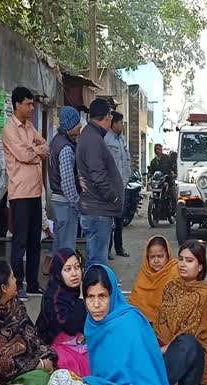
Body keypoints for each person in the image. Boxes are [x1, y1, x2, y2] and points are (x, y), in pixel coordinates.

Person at [43, 265, 185, 385]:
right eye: (90, 297)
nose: (97, 305)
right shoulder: (92, 325)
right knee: (59, 378)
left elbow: (149, 382)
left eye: (103, 296)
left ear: (113, 295)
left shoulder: (130, 323)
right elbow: (101, 374)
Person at [0, 258, 57, 385]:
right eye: (12, 277)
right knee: (43, 382)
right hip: (4, 379)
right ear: (3, 288)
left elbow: (31, 335)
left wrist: (45, 357)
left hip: (30, 364)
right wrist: (38, 364)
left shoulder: (14, 305)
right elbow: (1, 365)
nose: (16, 281)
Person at [2, 86, 48, 300]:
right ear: (17, 104)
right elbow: (22, 154)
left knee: (34, 241)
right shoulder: (10, 128)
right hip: (20, 193)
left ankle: (33, 284)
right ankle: (18, 284)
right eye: (28, 104)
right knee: (19, 242)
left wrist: (34, 151)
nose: (31, 108)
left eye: (32, 104)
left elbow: (44, 146)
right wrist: (35, 151)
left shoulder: (30, 126)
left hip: (36, 192)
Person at [154, 240, 207, 385]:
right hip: (164, 352)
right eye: (180, 259)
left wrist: (164, 350)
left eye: (189, 261)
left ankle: (164, 380)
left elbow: (192, 333)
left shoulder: (205, 294)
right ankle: (168, 377)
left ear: (200, 267)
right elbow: (161, 321)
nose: (182, 264)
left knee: (187, 342)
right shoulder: (171, 287)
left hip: (191, 363)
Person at [77, 98, 123, 267]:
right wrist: (113, 197)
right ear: (106, 117)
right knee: (96, 262)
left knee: (96, 260)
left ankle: (95, 291)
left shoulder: (92, 136)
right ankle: (94, 292)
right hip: (98, 210)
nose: (111, 119)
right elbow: (97, 175)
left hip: (98, 209)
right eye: (110, 116)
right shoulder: (92, 139)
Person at [35, 248, 90, 377]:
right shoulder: (53, 297)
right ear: (58, 272)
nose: (74, 273)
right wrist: (82, 298)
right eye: (67, 269)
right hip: (55, 346)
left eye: (77, 267)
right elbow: (71, 327)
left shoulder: (77, 290)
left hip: (77, 342)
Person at [48, 106, 82, 252]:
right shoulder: (66, 148)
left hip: (58, 201)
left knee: (59, 246)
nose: (80, 126)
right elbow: (67, 182)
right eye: (77, 124)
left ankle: (56, 274)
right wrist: (77, 203)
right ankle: (63, 275)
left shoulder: (56, 141)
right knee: (67, 248)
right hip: (65, 203)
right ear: (70, 125)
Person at [128, 236, 180, 323]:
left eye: (160, 256)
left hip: (168, 325)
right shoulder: (144, 272)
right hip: (143, 324)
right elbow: (135, 303)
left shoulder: (175, 272)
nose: (156, 261)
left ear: (168, 255)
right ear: (147, 258)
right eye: (152, 257)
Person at [105, 111, 132, 259]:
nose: (122, 125)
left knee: (120, 219)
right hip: (110, 186)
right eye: (120, 122)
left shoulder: (121, 140)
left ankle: (119, 247)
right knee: (110, 220)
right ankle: (107, 249)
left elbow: (127, 159)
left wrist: (126, 178)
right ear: (113, 123)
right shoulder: (106, 139)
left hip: (122, 184)